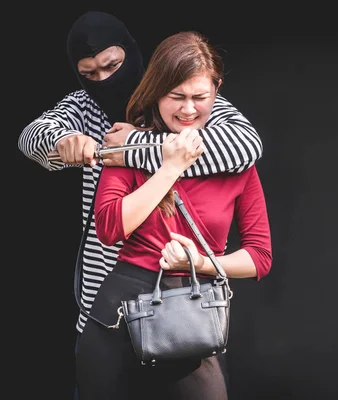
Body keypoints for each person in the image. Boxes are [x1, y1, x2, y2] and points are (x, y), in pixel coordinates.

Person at [17, 11, 263, 341]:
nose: (103, 79)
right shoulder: (82, 105)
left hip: (179, 306)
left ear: (131, 53)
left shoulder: (180, 95)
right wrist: (62, 141)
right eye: (89, 73)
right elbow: (30, 136)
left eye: (112, 65)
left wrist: (131, 144)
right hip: (102, 293)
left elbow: (245, 144)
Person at [76, 30, 272, 399]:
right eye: (176, 97)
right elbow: (110, 227)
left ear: (217, 90)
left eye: (200, 97)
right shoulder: (129, 149)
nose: (187, 109)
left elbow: (260, 258)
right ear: (156, 93)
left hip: (192, 321)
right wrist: (169, 167)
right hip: (117, 318)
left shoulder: (237, 160)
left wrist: (201, 261)